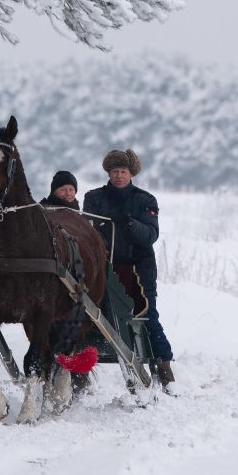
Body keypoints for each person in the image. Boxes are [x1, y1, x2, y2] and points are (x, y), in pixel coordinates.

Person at [83, 149, 178, 395]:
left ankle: (164, 369)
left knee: (148, 317)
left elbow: (151, 235)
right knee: (90, 317)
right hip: (102, 270)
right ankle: (79, 369)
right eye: (114, 171)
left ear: (131, 173)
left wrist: (130, 224)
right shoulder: (94, 198)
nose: (118, 176)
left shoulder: (145, 200)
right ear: (108, 173)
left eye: (123, 171)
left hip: (137, 270)